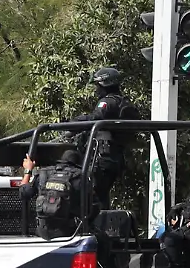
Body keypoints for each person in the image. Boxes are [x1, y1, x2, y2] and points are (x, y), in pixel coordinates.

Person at [69, 67, 142, 209]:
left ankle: (97, 221)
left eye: (98, 86)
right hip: (115, 157)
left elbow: (95, 118)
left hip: (102, 158)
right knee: (101, 194)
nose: (96, 90)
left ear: (105, 85)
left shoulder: (107, 102)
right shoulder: (123, 102)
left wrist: (73, 123)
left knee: (92, 194)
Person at [19, 149, 86, 239]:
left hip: (42, 233)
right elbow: (92, 208)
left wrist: (28, 170)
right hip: (69, 234)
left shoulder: (44, 174)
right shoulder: (80, 177)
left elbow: (23, 192)